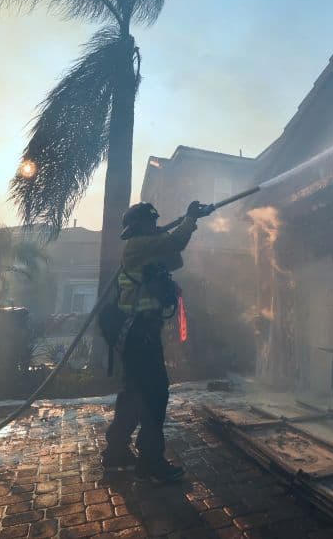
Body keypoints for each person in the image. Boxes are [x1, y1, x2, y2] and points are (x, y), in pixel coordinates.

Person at [102, 199, 213, 482]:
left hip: (141, 334)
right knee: (154, 394)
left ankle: (116, 453)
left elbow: (176, 257)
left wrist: (175, 231)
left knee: (132, 394)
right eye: (150, 222)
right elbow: (175, 243)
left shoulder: (147, 247)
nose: (154, 226)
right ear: (139, 226)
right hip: (140, 334)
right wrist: (189, 218)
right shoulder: (138, 246)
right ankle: (150, 462)